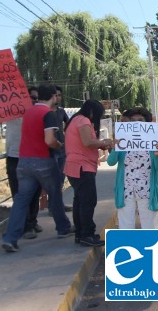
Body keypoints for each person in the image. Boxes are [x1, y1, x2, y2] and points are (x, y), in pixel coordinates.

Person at [2, 85, 74, 253]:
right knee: (55, 195)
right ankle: (63, 228)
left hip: (23, 162)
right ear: (53, 97)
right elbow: (49, 140)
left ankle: (11, 238)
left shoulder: (27, 112)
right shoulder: (47, 114)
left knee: (21, 200)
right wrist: (60, 146)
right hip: (43, 161)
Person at [107, 107, 158, 229]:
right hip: (126, 192)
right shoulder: (122, 142)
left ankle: (150, 248)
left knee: (150, 228)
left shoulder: (152, 143)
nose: (136, 123)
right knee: (126, 228)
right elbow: (111, 162)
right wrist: (115, 147)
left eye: (140, 120)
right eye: (133, 120)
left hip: (148, 191)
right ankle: (127, 248)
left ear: (147, 123)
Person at [64, 100, 112, 247]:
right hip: (82, 166)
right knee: (88, 201)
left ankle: (81, 234)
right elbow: (88, 142)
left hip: (76, 166)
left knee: (80, 201)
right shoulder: (83, 120)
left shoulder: (75, 120)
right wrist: (106, 142)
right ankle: (87, 234)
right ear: (92, 111)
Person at [4, 86, 43, 240]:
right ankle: (25, 227)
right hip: (14, 157)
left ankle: (32, 222)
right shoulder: (11, 111)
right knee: (19, 194)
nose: (34, 101)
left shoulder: (39, 114)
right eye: (31, 97)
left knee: (35, 192)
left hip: (34, 157)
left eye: (36, 98)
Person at [50, 85, 72, 215]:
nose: (57, 97)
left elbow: (69, 124)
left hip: (62, 149)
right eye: (55, 95)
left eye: (59, 95)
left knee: (61, 179)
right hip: (50, 149)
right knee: (53, 180)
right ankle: (53, 206)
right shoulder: (46, 111)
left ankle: (58, 205)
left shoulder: (61, 111)